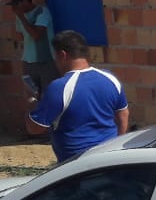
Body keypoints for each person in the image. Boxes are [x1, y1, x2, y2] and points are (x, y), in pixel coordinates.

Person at [27, 31, 129, 163]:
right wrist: (119, 149)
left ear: (62, 55)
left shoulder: (60, 87)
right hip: (109, 158)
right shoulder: (110, 79)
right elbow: (123, 115)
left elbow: (34, 128)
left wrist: (32, 101)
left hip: (76, 166)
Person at [7, 0, 57, 103]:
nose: (14, 8)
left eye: (16, 4)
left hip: (46, 61)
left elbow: (36, 35)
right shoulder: (20, 16)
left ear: (25, 2)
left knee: (49, 95)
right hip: (28, 62)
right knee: (31, 97)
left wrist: (21, 17)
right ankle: (35, 119)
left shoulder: (42, 12)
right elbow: (21, 36)